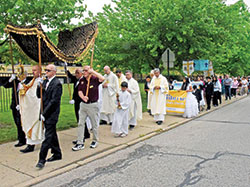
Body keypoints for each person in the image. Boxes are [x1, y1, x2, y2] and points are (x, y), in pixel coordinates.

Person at [36, 64, 62, 169]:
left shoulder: (57, 84)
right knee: (52, 134)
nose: (46, 72)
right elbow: (39, 96)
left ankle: (41, 160)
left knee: (48, 136)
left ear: (54, 72)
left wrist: (44, 114)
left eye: (48, 70)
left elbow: (54, 101)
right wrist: (39, 86)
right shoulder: (46, 82)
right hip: (45, 111)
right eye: (45, 70)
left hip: (51, 113)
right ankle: (57, 153)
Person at [72, 66, 104, 151]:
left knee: (94, 124)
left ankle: (95, 140)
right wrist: (83, 97)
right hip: (83, 105)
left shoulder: (95, 79)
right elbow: (79, 91)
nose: (84, 72)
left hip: (93, 105)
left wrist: (93, 72)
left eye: (85, 71)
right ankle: (80, 142)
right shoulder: (82, 80)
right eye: (83, 71)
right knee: (80, 123)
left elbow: (102, 78)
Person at [19, 65, 44, 153]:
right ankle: (30, 144)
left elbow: (36, 95)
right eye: (32, 70)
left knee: (35, 127)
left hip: (36, 107)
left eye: (35, 70)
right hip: (30, 107)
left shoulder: (41, 80)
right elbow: (27, 88)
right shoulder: (33, 80)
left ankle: (31, 145)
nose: (33, 72)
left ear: (40, 71)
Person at [2, 72, 30, 147]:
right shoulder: (15, 82)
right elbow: (6, 86)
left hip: (23, 106)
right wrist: (11, 79)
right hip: (15, 106)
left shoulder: (28, 83)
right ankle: (21, 139)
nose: (19, 76)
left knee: (22, 123)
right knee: (17, 123)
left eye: (21, 75)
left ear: (25, 76)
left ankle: (27, 138)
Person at [65, 67, 90, 143]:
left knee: (81, 119)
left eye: (77, 73)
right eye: (75, 73)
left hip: (81, 102)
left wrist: (75, 99)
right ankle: (86, 133)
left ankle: (82, 136)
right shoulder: (77, 80)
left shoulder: (84, 81)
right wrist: (66, 69)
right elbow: (70, 76)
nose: (76, 74)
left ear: (81, 73)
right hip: (76, 102)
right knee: (79, 119)